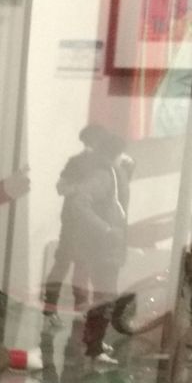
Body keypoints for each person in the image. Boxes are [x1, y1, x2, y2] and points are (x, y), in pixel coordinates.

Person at [43, 123, 132, 362]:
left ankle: (85, 318)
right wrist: (82, 191)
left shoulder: (112, 168)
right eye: (90, 141)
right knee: (64, 265)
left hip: (94, 232)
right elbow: (64, 189)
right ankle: (51, 310)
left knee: (86, 271)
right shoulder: (83, 164)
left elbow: (117, 198)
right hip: (77, 226)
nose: (92, 146)